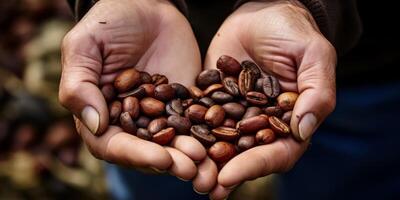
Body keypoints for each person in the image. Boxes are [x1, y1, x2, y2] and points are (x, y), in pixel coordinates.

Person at [60, 0, 391, 199]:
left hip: (362, 58)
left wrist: (301, 4)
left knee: (351, 175)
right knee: (159, 168)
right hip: (152, 46)